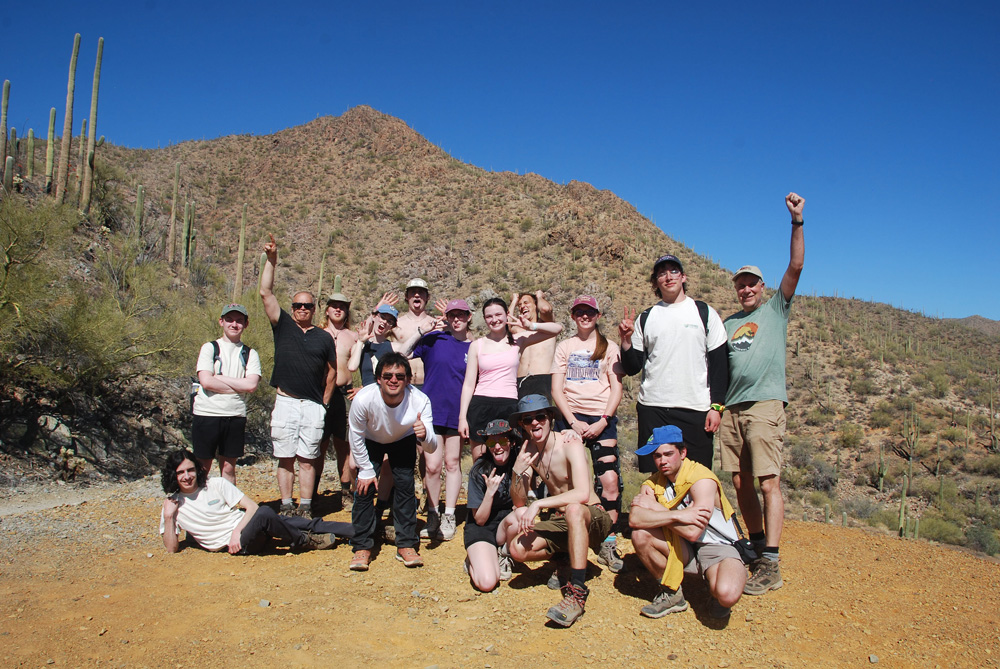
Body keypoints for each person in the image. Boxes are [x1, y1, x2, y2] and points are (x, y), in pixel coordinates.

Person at [719, 192, 805, 597]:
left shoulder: (776, 309)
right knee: (740, 482)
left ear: (762, 286)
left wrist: (796, 221)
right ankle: (755, 546)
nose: (746, 289)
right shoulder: (728, 323)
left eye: (751, 283)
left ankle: (771, 560)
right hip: (733, 409)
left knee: (768, 481)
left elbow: (796, 266)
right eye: (740, 285)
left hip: (765, 404)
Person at [504, 394, 613, 628]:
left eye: (540, 417)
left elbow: (582, 494)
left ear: (550, 418)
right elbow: (519, 501)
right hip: (562, 520)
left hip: (591, 516)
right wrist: (517, 472)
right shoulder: (528, 450)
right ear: (522, 425)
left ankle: (577, 592)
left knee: (574, 510)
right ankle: (565, 556)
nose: (535, 423)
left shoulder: (569, 443)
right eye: (528, 419)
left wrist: (539, 504)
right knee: (517, 549)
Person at [619, 253, 729, 471]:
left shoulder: (704, 313)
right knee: (658, 477)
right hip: (653, 408)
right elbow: (632, 368)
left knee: (698, 476)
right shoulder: (647, 317)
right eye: (662, 273)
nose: (668, 277)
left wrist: (717, 407)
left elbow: (720, 365)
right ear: (655, 282)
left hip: (695, 408)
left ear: (683, 277)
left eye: (674, 271)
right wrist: (625, 341)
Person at [629, 425, 747, 619]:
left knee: (726, 594)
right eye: (657, 456)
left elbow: (693, 532)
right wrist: (678, 515)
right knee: (640, 534)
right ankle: (671, 593)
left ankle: (724, 576)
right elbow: (635, 518)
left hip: (716, 546)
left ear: (683, 453)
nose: (662, 461)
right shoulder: (653, 483)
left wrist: (657, 509)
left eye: (668, 454)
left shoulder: (701, 479)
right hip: (679, 542)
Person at [260, 234, 338, 518]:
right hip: (286, 401)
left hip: (313, 405)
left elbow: (332, 371)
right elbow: (265, 292)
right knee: (285, 457)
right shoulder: (283, 326)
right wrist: (271, 260)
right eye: (297, 306)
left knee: (308, 458)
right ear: (292, 308)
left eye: (307, 306)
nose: (302, 309)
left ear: (314, 309)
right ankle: (285, 504)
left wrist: (324, 402)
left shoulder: (324, 337)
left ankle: (305, 506)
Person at [550, 295, 625, 573]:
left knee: (609, 480)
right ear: (572, 315)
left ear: (598, 315)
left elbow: (616, 388)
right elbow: (556, 389)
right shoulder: (565, 347)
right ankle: (565, 544)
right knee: (565, 483)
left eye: (590, 312)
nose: (585, 316)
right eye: (579, 311)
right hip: (570, 418)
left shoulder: (610, 347)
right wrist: (572, 421)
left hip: (601, 418)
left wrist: (604, 420)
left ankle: (607, 541)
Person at [159, 449, 352, 555]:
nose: (187, 476)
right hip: (240, 544)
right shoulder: (173, 505)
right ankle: (303, 540)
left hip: (245, 528)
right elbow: (171, 548)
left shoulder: (215, 484)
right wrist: (169, 517)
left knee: (303, 522)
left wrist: (236, 532)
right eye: (180, 472)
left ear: (197, 469)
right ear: (173, 475)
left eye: (190, 470)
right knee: (266, 513)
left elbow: (250, 506)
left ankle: (360, 531)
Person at [347, 352, 437, 571]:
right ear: (379, 378)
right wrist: (366, 469)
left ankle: (406, 543)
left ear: (408, 380)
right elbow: (355, 434)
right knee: (365, 488)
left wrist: (425, 434)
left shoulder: (420, 400)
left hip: (402, 438)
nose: (393, 380)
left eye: (400, 376)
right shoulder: (364, 399)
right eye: (387, 376)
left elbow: (431, 447)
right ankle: (362, 546)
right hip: (370, 438)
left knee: (405, 486)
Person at [459, 297, 561, 460]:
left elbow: (557, 329)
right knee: (481, 460)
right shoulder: (476, 345)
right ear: (484, 319)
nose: (494, 320)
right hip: (480, 405)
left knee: (510, 460)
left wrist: (530, 326)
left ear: (507, 315)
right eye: (489, 316)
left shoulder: (518, 340)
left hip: (509, 405)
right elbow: (469, 384)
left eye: (498, 314)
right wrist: (462, 418)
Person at [412, 298, 473, 542]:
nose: (456, 319)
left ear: (469, 317)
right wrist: (422, 331)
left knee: (452, 463)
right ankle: (433, 513)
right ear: (446, 318)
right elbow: (403, 353)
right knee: (432, 466)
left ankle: (449, 514)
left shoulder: (474, 347)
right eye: (452, 315)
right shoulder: (433, 340)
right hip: (431, 411)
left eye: (461, 314)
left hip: (458, 413)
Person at [191, 303, 261, 484]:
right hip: (207, 414)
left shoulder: (250, 353)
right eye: (229, 320)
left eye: (239, 320)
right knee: (202, 466)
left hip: (234, 415)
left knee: (229, 467)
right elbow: (206, 381)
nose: (234, 324)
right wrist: (239, 386)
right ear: (221, 322)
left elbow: (251, 385)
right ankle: (198, 500)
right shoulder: (209, 348)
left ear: (246, 324)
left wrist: (220, 378)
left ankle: (228, 501)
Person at [463, 419, 519, 592]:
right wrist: (489, 493)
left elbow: (521, 504)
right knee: (487, 583)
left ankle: (503, 554)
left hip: (505, 526)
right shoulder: (479, 470)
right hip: (482, 527)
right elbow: (479, 520)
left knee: (521, 513)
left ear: (512, 443)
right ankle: (474, 560)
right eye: (491, 442)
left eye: (502, 441)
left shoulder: (518, 464)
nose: (497, 447)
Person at [318, 286, 359, 510]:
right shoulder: (317, 333)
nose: (338, 309)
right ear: (327, 310)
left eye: (342, 307)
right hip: (321, 393)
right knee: (319, 444)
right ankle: (312, 492)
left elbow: (368, 361)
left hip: (345, 394)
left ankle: (346, 491)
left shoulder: (353, 336)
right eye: (334, 306)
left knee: (344, 445)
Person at [508, 291, 557, 399]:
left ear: (535, 305)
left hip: (541, 380)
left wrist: (539, 297)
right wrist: (514, 301)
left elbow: (545, 309)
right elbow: (505, 324)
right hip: (519, 381)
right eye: (520, 305)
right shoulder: (516, 330)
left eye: (526, 303)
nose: (522, 306)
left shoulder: (546, 326)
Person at [394, 279, 437, 387]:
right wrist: (377, 310)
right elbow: (372, 337)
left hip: (428, 384)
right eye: (413, 292)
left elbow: (465, 338)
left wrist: (450, 317)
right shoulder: (396, 324)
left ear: (427, 297)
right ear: (406, 296)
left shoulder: (437, 325)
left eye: (421, 292)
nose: (417, 295)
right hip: (402, 384)